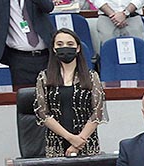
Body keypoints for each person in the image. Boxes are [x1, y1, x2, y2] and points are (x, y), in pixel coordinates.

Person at [33, 28, 106, 158]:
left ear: (78, 48)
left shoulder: (91, 76)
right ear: (54, 49)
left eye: (70, 44)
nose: (65, 48)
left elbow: (97, 113)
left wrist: (79, 141)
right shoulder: (44, 77)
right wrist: (71, 138)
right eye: (60, 44)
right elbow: (42, 113)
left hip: (86, 143)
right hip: (56, 144)